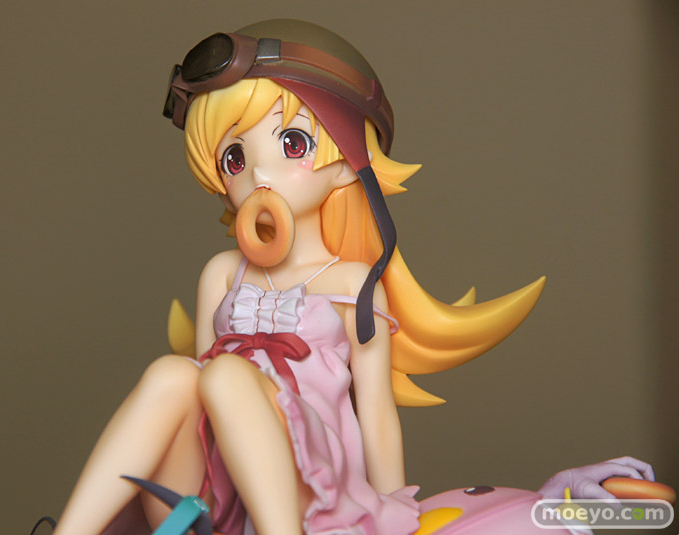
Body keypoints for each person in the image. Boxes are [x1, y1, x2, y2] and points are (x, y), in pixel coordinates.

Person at [52, 19, 655, 535]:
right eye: (235, 158)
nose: (258, 175)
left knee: (228, 375)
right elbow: (200, 403)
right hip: (216, 491)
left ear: (346, 163)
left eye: (291, 144)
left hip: (311, 495)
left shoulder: (352, 283)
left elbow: (377, 413)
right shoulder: (222, 275)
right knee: (175, 373)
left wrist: (395, 511)